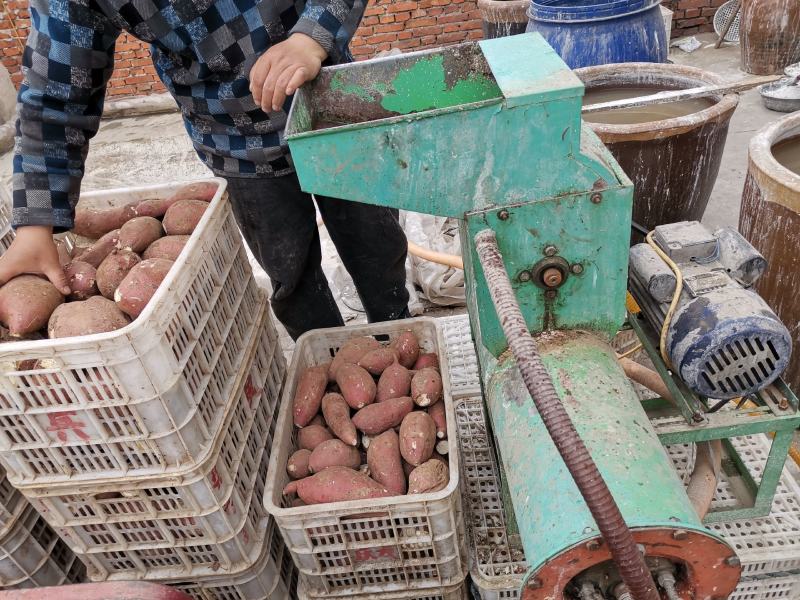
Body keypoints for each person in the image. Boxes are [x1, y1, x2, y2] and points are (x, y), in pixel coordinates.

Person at [0, 0, 410, 340]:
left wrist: (313, 34)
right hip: (234, 140)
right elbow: (54, 96)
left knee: (377, 247)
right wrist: (36, 221)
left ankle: (401, 339)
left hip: (332, 106)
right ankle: (328, 362)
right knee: (291, 277)